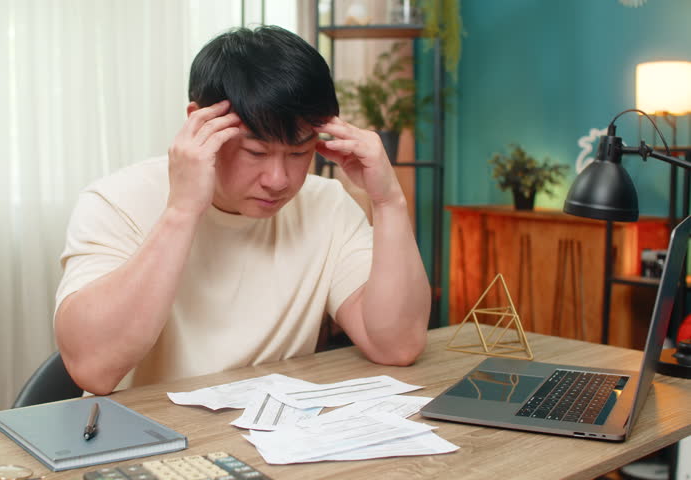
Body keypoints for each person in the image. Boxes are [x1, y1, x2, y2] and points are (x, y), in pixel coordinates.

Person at [54, 25, 430, 395]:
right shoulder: (117, 201)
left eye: (299, 153)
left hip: (271, 439)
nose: (278, 179)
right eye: (257, 152)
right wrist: (182, 212)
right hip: (146, 440)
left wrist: (389, 202)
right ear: (199, 123)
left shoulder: (325, 203)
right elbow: (93, 368)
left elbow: (396, 345)